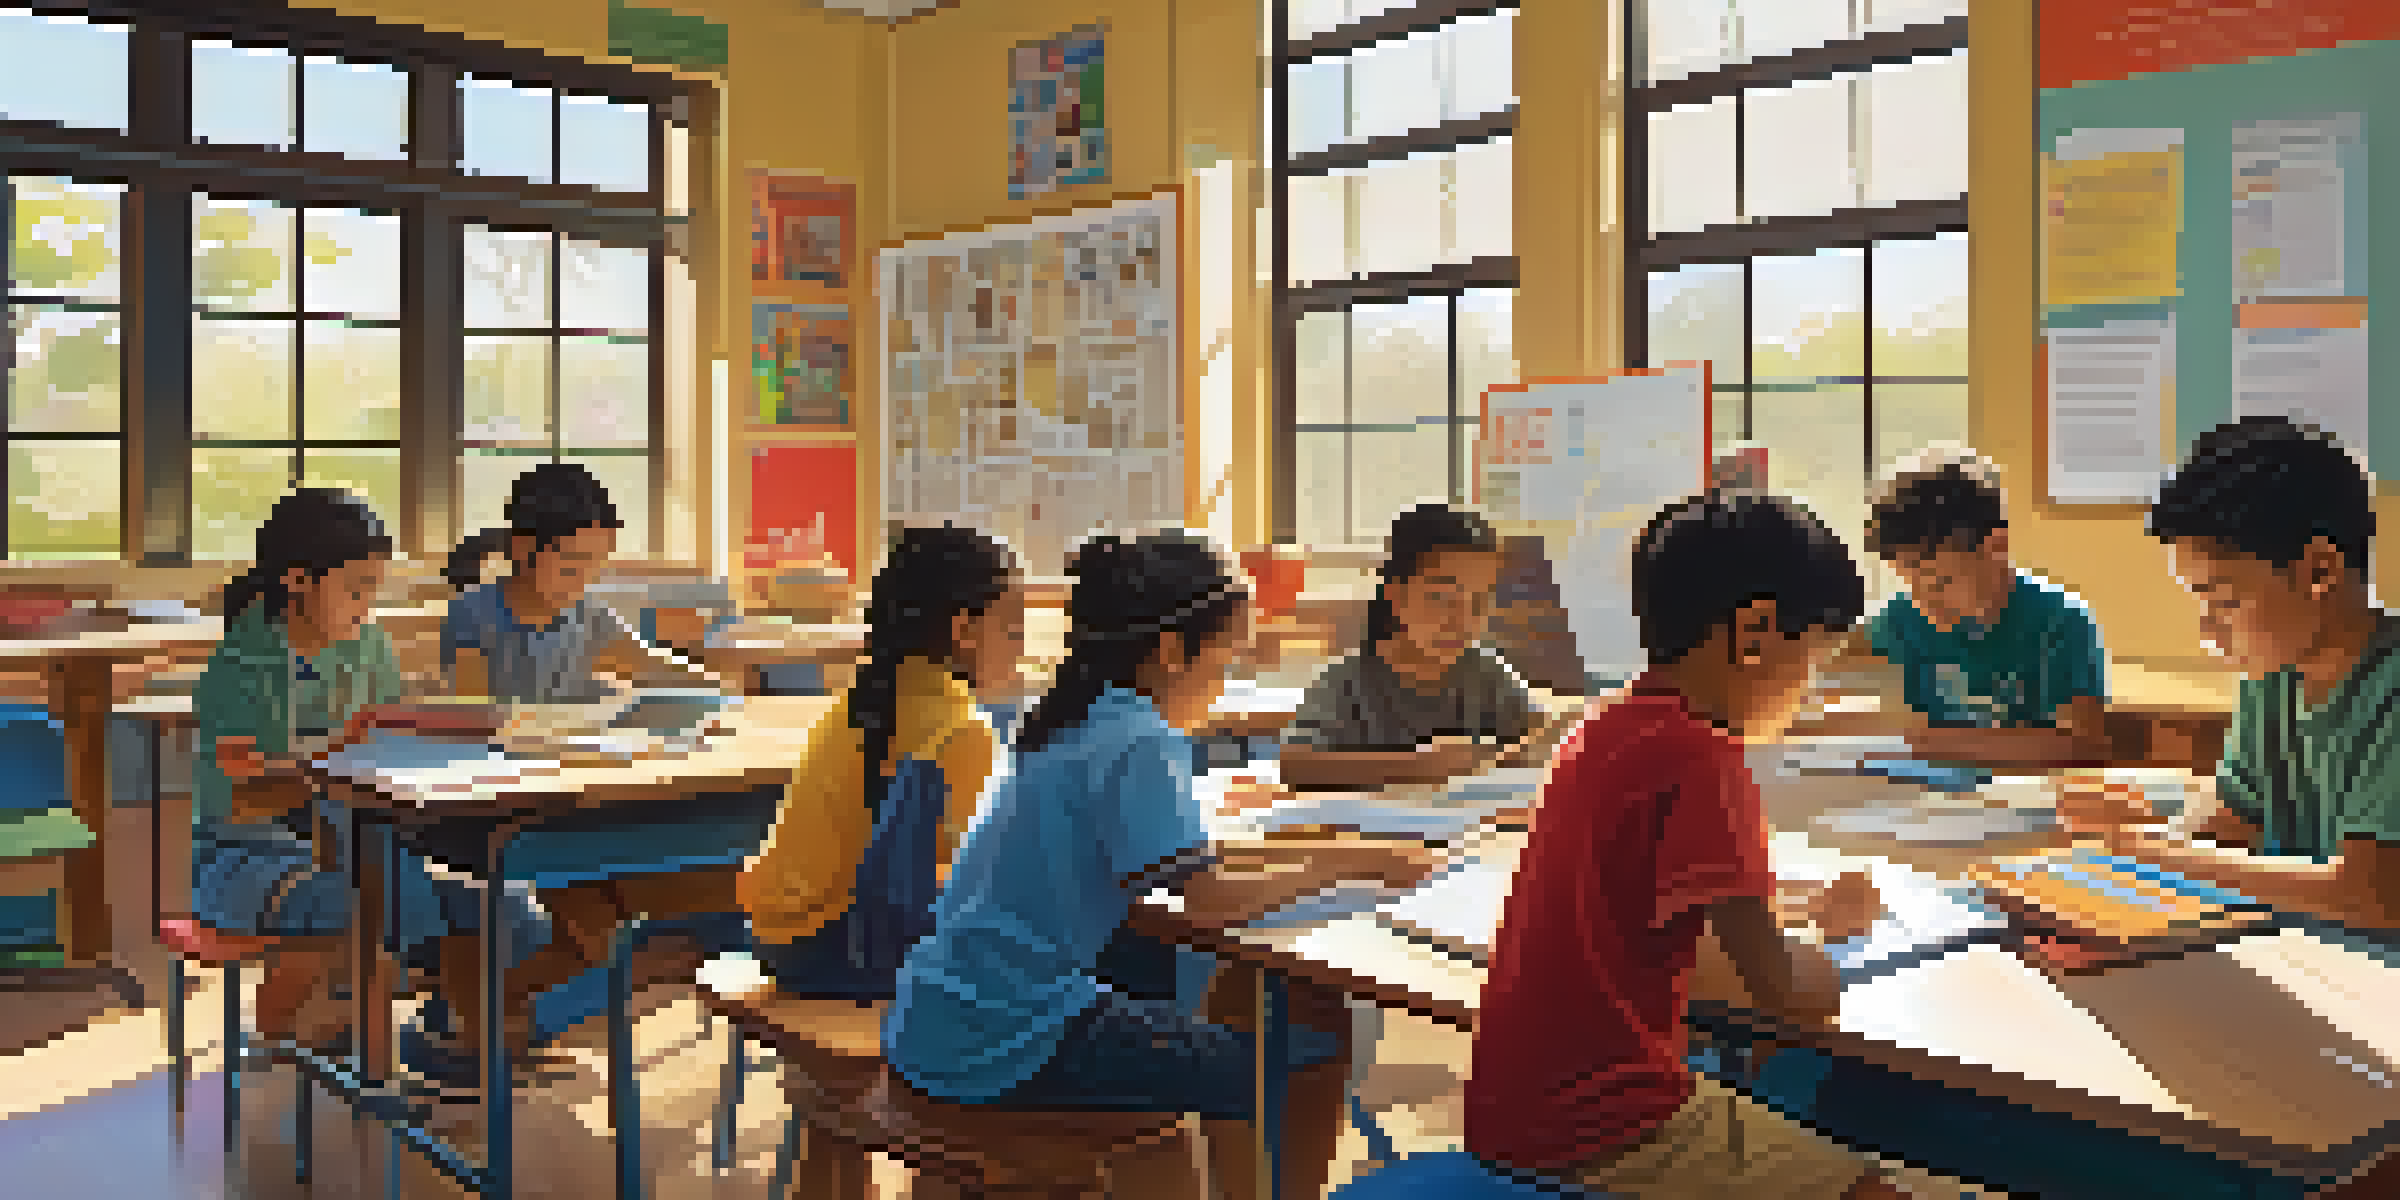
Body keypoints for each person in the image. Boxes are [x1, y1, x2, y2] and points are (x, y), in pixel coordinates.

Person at [882, 531, 1435, 1200]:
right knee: (1303, 1054)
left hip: (936, 1014)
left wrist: (1333, 853)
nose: (1225, 681)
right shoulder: (1140, 740)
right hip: (1014, 1036)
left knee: (1204, 1009)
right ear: (1173, 652)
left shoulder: (1072, 718)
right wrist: (1346, 866)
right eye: (1226, 658)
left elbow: (1189, 862)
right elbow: (1208, 898)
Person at [1467, 489, 1906, 1200]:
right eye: (1815, 657)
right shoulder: (1703, 756)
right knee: (1871, 1192)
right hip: (1608, 1127)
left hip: (1510, 1111)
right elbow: (1790, 991)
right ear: (1755, 632)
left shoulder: (1603, 726)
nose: (1809, 688)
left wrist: (1784, 908)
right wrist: (1836, 948)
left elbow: (1664, 906)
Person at [414, 461, 750, 1079]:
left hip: (571, 802)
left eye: (595, 565)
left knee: (603, 934)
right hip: (492, 809)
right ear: (521, 549)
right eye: (571, 564)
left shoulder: (589, 617)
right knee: (598, 934)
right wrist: (568, 726)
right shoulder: (473, 618)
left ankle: (476, 1021)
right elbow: (476, 716)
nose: (584, 579)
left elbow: (660, 670)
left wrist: (717, 693)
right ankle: (472, 1022)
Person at [189, 488, 549, 1057]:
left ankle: (444, 1034)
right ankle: (355, 1041)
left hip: (370, 845)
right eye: (357, 589)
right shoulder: (239, 667)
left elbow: (389, 736)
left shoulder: (369, 642)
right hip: (253, 861)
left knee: (512, 910)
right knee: (404, 902)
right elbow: (245, 798)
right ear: (298, 580)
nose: (367, 604)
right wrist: (337, 754)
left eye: (373, 590)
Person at [2061, 416, 2399, 932]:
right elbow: (2229, 823)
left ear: (2319, 571)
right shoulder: (2272, 680)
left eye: (2224, 601)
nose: (2207, 629)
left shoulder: (2389, 691)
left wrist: (2154, 851)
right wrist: (2151, 826)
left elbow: (2370, 895)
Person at [739, 523, 1025, 996]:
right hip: (846, 948)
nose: (1020, 650)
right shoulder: (961, 729)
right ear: (964, 630)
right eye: (1012, 630)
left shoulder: (862, 698)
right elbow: (970, 879)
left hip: (780, 938)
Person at [1812, 445, 2113, 767]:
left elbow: (2083, 748)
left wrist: (1923, 741)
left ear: (1996, 545)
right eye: (1910, 585)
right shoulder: (1898, 620)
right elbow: (1813, 687)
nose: (1927, 605)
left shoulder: (2059, 621)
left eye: (1942, 583)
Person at [1279, 503, 1562, 791]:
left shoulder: (1486, 672)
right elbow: (1294, 765)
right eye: (1443, 598)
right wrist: (1418, 766)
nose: (1461, 620)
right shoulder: (1350, 681)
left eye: (1478, 604)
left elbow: (1541, 738)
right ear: (1395, 594)